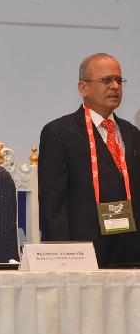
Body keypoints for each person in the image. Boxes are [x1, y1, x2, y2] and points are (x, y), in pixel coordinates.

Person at [39, 53, 140, 266]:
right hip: (83, 252)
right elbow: (53, 205)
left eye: (118, 80)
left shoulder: (132, 133)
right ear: (83, 88)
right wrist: (62, 257)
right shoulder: (58, 133)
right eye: (106, 80)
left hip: (131, 251)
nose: (115, 86)